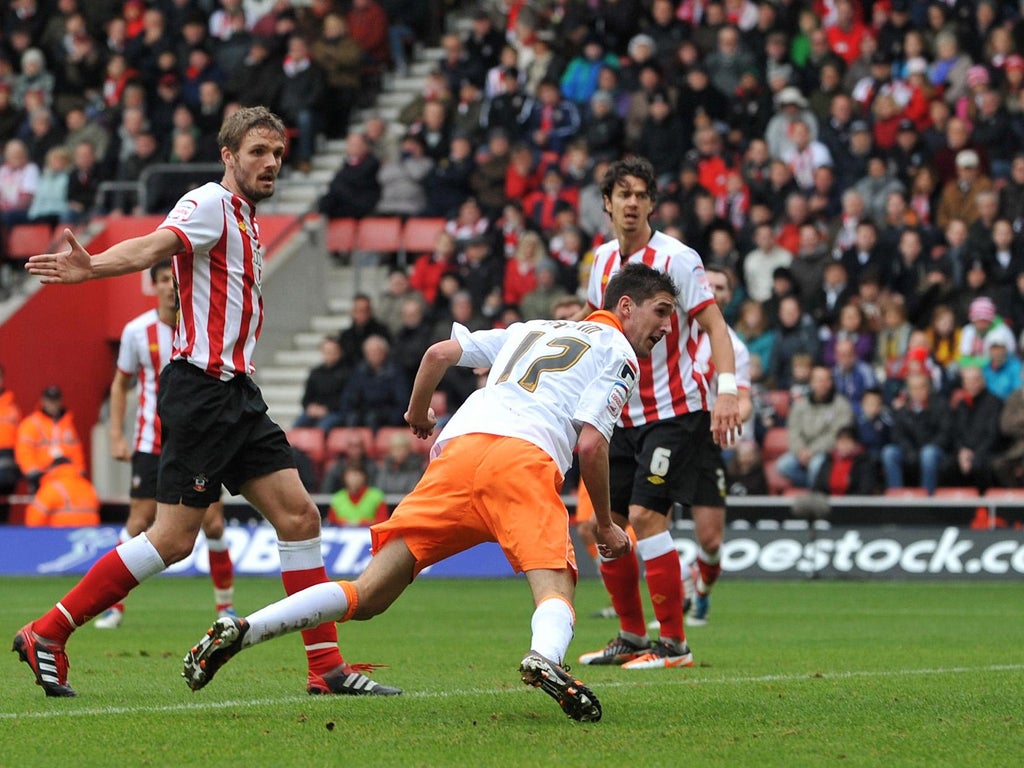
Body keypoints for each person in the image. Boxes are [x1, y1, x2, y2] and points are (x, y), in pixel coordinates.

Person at [182, 263, 675, 722]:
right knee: (555, 588)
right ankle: (545, 658)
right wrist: (607, 524)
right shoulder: (619, 352)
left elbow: (439, 353)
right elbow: (591, 444)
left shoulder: (532, 329)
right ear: (626, 306)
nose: (666, 328)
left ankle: (246, 628)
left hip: (458, 453)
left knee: (369, 592)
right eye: (662, 312)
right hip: (522, 461)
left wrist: (417, 413)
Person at [17, 106, 399, 699]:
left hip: (236, 393)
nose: (271, 162)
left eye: (277, 152)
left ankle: (324, 668)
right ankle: (50, 631)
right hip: (202, 391)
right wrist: (93, 267)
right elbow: (155, 246)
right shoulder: (210, 203)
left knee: (300, 517)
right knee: (172, 540)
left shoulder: (246, 218)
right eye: (257, 152)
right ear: (228, 156)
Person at [573, 157, 741, 670]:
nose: (630, 202)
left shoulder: (679, 258)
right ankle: (629, 634)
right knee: (606, 525)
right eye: (621, 193)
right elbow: (594, 325)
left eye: (640, 194)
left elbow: (714, 327)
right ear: (606, 202)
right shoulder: (600, 261)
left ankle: (673, 644)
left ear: (651, 203)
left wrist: (728, 389)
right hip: (619, 411)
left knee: (646, 517)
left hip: (675, 410)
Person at [97, 259, 236, 630]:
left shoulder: (202, 329)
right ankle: (115, 608)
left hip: (198, 444)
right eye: (161, 280)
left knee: (214, 525)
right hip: (150, 443)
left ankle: (225, 609)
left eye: (172, 280)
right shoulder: (136, 332)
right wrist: (115, 435)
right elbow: (120, 384)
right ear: (153, 285)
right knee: (139, 520)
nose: (168, 288)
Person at [683, 265, 753, 626]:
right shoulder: (673, 330)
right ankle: (671, 600)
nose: (713, 290)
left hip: (705, 440)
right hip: (666, 431)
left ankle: (701, 591)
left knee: (710, 541)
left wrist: (733, 416)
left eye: (721, 286)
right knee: (645, 520)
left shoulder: (734, 348)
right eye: (707, 284)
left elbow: (744, 398)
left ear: (728, 296)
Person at [881, 372, 950, 494]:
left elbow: (945, 434)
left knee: (928, 454)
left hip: (935, 452)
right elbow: (897, 435)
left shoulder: (940, 406)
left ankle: (926, 500)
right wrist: (909, 450)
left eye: (921, 387)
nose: (918, 391)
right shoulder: (903, 410)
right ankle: (896, 499)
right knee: (889, 452)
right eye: (914, 388)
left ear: (928, 388)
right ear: (908, 391)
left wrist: (926, 448)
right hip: (910, 453)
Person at [14, 385, 85, 494]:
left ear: (61, 401)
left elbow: (76, 451)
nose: (53, 404)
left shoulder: (67, 425)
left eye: (56, 400)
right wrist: (32, 473)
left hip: (67, 478)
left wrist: (80, 471)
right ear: (43, 401)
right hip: (42, 478)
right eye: (50, 400)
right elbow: (24, 451)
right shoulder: (31, 424)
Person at [24, 457, 100, 527]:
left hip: (59, 536)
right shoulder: (88, 486)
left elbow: (34, 520)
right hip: (87, 536)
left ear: (52, 468)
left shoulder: (51, 488)